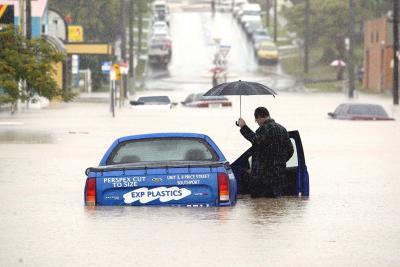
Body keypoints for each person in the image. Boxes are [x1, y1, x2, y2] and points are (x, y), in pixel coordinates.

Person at [237, 107, 294, 198]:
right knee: (275, 205)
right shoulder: (282, 129)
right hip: (279, 175)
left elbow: (255, 140)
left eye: (256, 120)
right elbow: (290, 150)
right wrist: (280, 162)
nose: (257, 123)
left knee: (260, 206)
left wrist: (243, 127)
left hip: (263, 178)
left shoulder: (264, 129)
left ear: (259, 117)